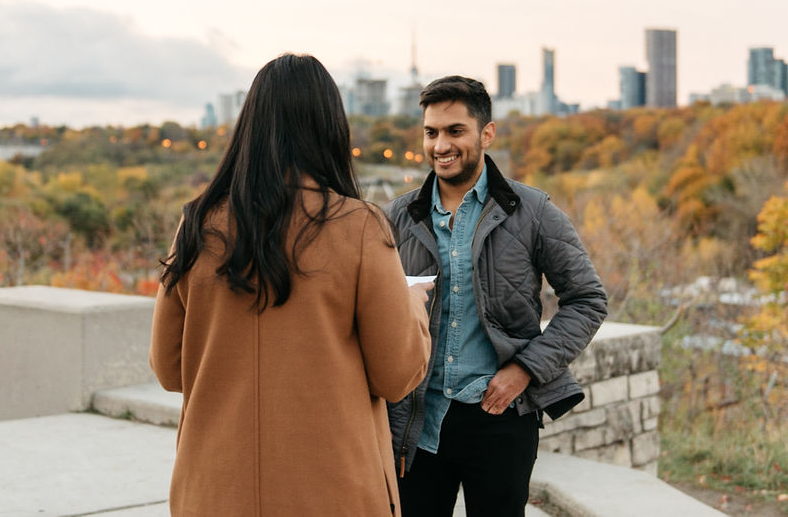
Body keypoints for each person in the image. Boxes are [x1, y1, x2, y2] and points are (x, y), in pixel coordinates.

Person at [150, 54, 431, 516]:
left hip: (214, 490)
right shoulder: (359, 226)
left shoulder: (198, 223)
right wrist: (410, 306)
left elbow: (168, 366)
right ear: (330, 129)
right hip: (332, 491)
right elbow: (396, 374)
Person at [385, 76, 608, 517]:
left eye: (455, 131)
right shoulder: (396, 216)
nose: (440, 145)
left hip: (500, 420)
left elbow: (587, 299)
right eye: (431, 133)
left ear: (486, 134)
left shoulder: (533, 211)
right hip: (416, 421)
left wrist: (526, 369)